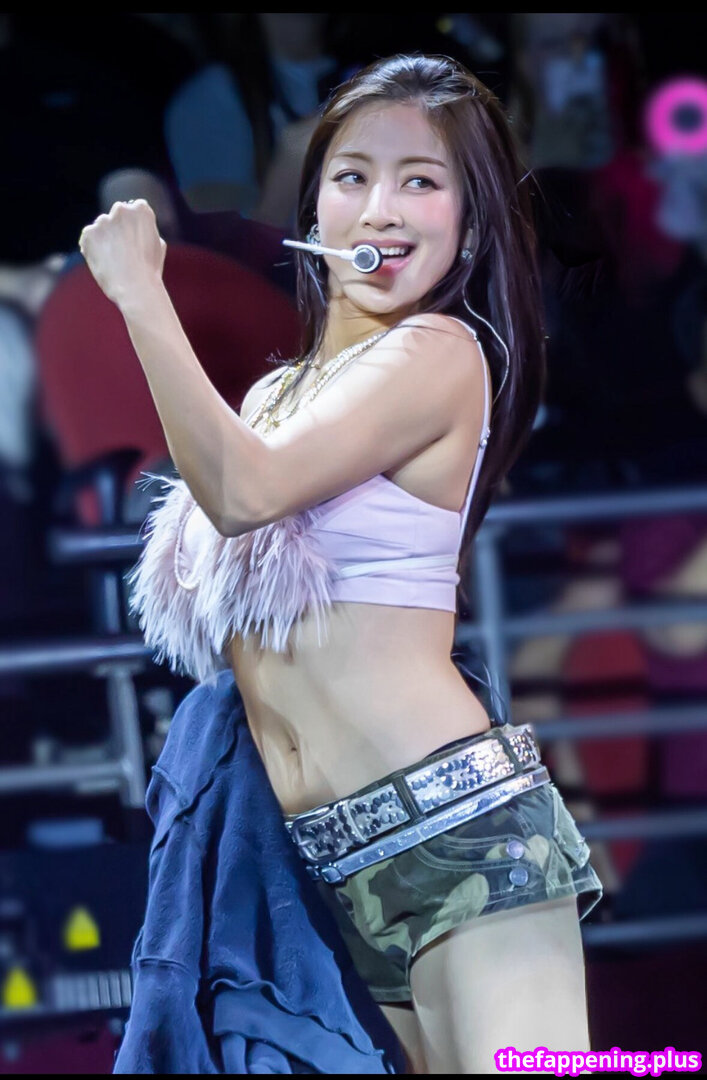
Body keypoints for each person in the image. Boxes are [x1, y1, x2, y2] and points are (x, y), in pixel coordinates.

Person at [79, 54, 603, 1075]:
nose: (381, 207)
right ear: (313, 202)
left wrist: (143, 295)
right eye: (353, 175)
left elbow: (242, 492)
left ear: (470, 223)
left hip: (458, 828)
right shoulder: (276, 397)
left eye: (421, 180)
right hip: (325, 859)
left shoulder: (438, 353)